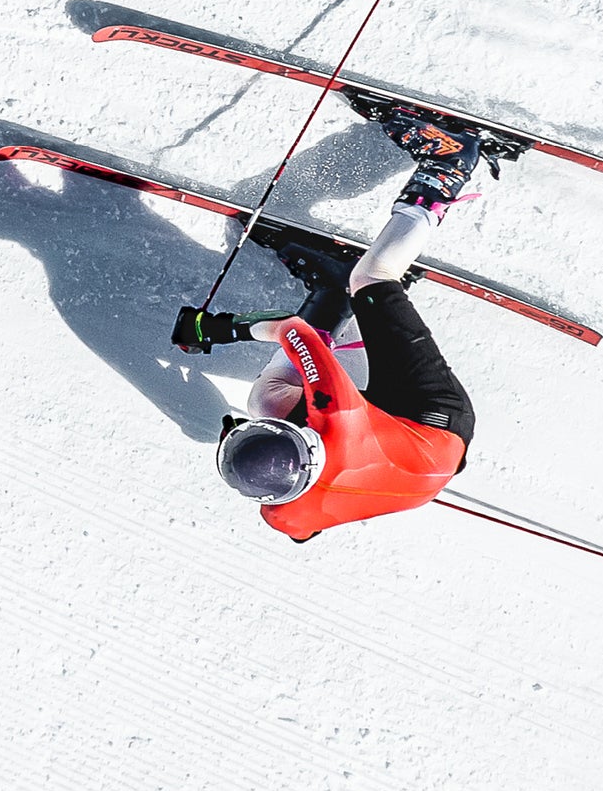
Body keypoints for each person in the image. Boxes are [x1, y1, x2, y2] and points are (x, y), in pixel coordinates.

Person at [172, 109, 501, 541]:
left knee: (263, 402)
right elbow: (296, 333)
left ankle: (331, 295)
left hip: (398, 452)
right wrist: (218, 329)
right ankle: (450, 168)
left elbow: (302, 533)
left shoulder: (285, 514)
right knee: (371, 278)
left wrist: (258, 448)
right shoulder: (335, 412)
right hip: (434, 421)